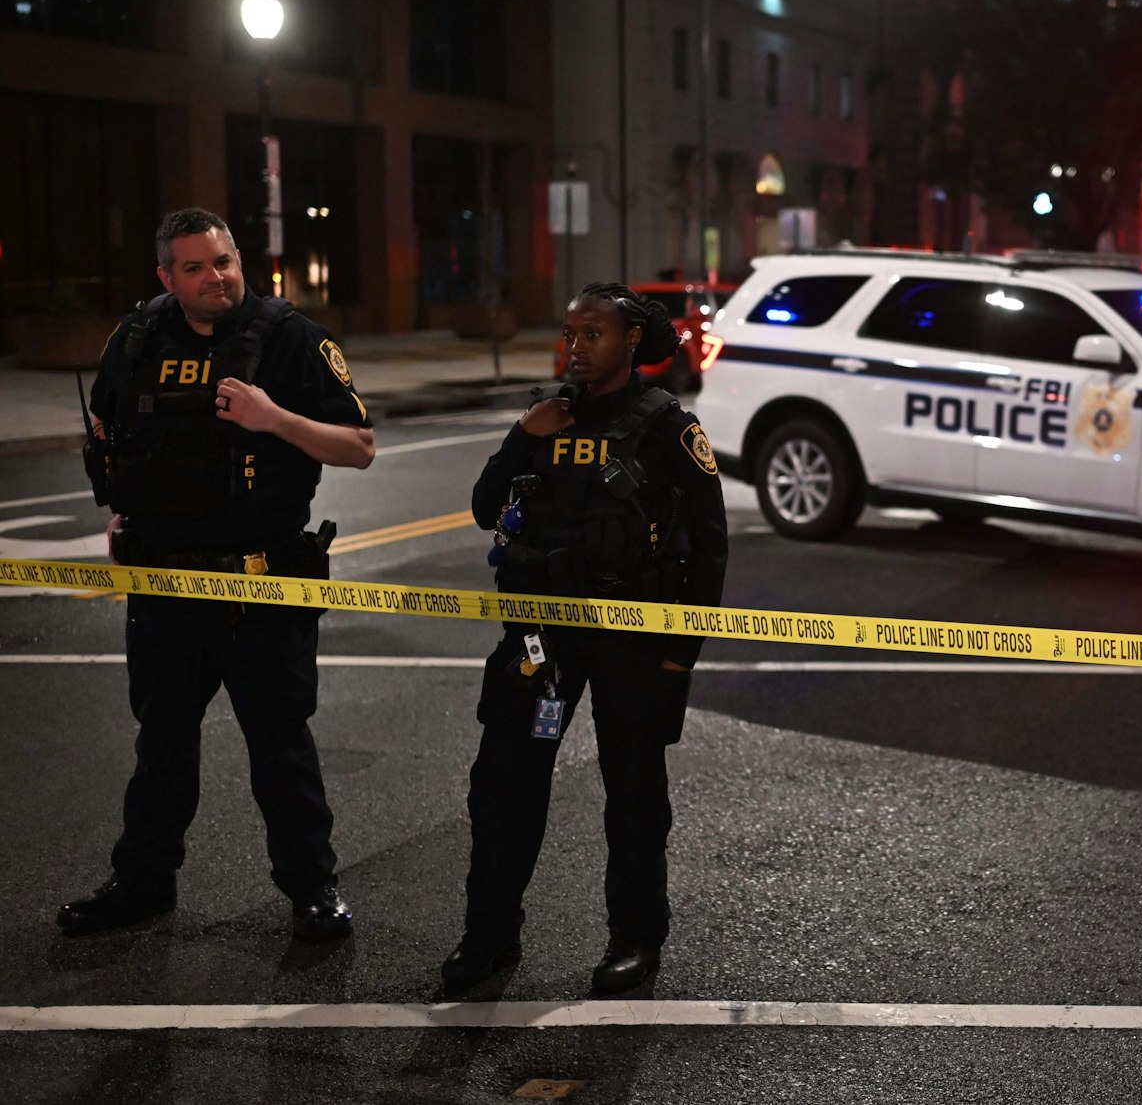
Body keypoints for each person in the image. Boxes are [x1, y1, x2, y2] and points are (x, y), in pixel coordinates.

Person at [58, 208, 375, 942]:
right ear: (166, 276)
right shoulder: (136, 339)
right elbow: (109, 426)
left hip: (257, 586)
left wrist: (273, 418)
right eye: (195, 266)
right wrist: (120, 509)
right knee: (161, 744)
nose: (215, 277)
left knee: (280, 747)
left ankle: (311, 888)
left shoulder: (291, 337)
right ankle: (142, 882)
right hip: (164, 587)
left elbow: (358, 446)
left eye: (224, 261)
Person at [442, 282, 729, 995]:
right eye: (571, 334)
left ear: (631, 338)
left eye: (593, 334)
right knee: (504, 785)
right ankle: (489, 936)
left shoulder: (665, 424)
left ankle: (635, 939)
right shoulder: (547, 413)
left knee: (634, 794)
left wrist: (677, 655)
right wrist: (521, 436)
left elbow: (711, 546)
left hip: (632, 634)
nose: (577, 347)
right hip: (543, 634)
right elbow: (485, 508)